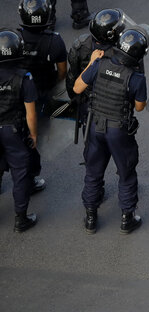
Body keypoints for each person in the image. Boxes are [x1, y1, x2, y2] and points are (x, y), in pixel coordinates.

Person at [73, 27, 149, 234]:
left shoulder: (99, 63)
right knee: (126, 173)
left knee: (93, 172)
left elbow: (77, 88)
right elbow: (140, 106)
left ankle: (90, 217)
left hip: (95, 126)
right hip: (119, 130)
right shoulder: (136, 78)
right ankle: (127, 218)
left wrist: (91, 62)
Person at [18, 0, 69, 192]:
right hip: (41, 94)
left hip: (15, 94)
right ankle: (29, 178)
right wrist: (52, 88)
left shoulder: (14, 38)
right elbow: (62, 72)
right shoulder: (54, 41)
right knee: (33, 137)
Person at [0, 29, 39, 232]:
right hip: (13, 131)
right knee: (20, 175)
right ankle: (20, 219)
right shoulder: (24, 78)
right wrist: (33, 135)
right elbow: (30, 113)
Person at [66, 8, 129, 136]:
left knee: (92, 148)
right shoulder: (123, 52)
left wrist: (78, 102)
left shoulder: (80, 45)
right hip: (115, 112)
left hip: (89, 108)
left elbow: (72, 80)